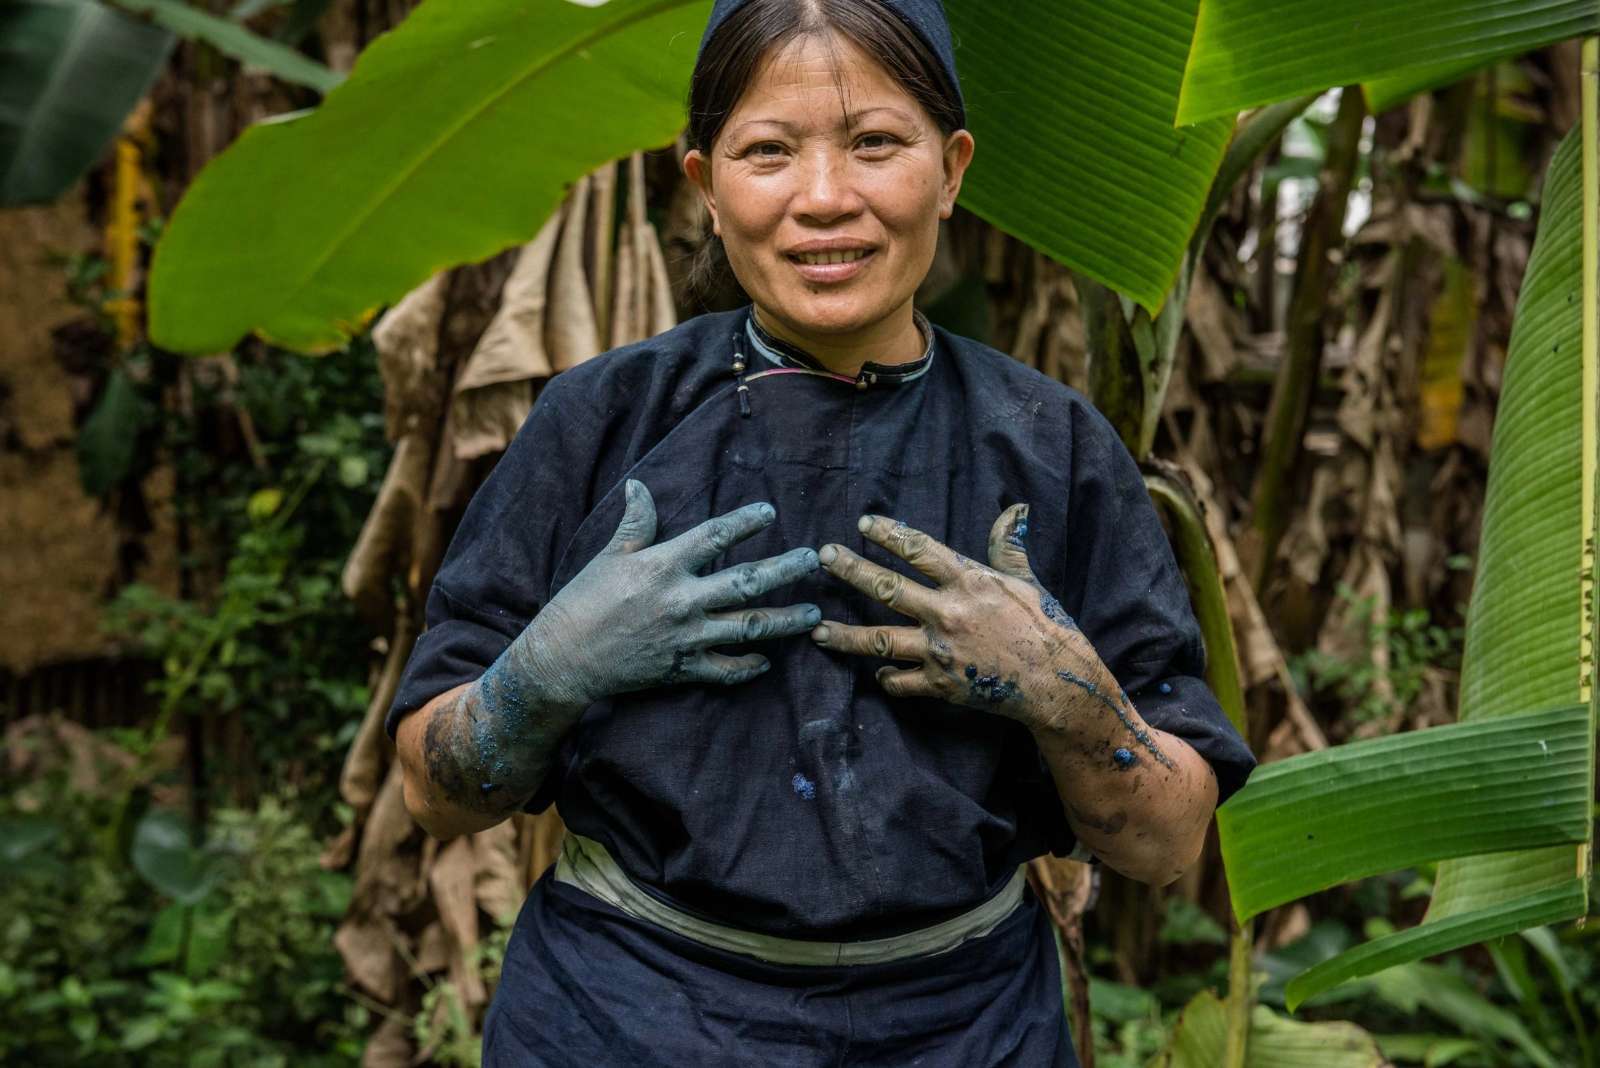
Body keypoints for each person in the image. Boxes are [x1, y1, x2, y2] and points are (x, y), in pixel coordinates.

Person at [388, 0, 1256, 1063]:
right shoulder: (601, 421)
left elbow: (1168, 842)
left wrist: (1061, 690)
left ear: (951, 167)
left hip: (966, 1027)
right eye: (767, 152)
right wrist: (539, 678)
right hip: (624, 1017)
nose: (825, 199)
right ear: (705, 187)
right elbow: (431, 796)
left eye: (875, 143)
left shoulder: (1050, 447)